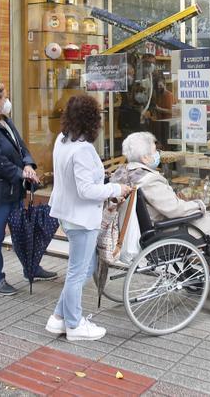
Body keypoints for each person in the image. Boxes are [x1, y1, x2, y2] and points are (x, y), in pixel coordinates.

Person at [114, 132, 210, 291]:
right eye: (155, 151)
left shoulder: (124, 175)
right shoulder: (149, 180)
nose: (158, 154)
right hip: (164, 231)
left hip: (146, 229)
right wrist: (198, 204)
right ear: (145, 158)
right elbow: (175, 210)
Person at [44, 94, 131, 341]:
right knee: (78, 272)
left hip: (67, 213)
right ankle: (74, 325)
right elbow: (86, 191)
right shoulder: (82, 149)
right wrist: (116, 189)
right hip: (81, 218)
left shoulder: (63, 140)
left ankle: (59, 317)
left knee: (85, 268)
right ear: (92, 120)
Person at [0, 81, 55, 295]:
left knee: (21, 232)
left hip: (12, 188)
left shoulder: (4, 120)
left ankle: (31, 268)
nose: (7, 101)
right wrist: (22, 173)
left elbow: (21, 146)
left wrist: (27, 164)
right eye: (3, 97)